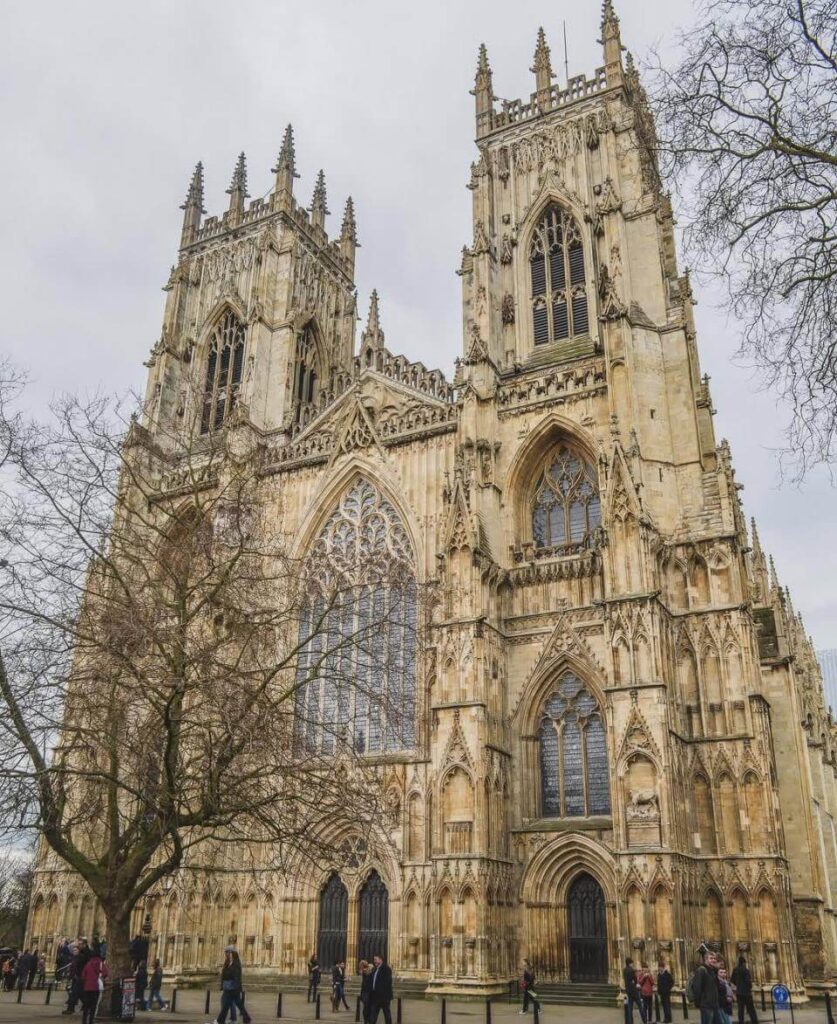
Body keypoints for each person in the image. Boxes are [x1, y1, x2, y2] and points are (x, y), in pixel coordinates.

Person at [216, 947, 252, 1024]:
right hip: (229, 986)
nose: (226, 954)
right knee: (236, 1003)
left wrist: (236, 987)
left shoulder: (236, 963)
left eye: (228, 952)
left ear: (232, 953)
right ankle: (246, 1018)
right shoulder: (228, 962)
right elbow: (225, 974)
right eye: (226, 952)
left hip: (233, 987)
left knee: (226, 1004)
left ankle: (221, 1020)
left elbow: (236, 976)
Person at [691, 950, 723, 1024]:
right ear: (706, 959)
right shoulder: (701, 970)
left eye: (714, 958)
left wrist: (716, 969)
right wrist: (699, 1003)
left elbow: (716, 986)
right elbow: (697, 988)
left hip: (715, 1005)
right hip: (706, 1006)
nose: (713, 960)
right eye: (711, 958)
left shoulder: (712, 971)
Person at [80, 947, 108, 1024]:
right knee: (93, 1005)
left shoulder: (88, 964)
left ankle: (84, 1020)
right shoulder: (101, 964)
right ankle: (91, 1021)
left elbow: (83, 976)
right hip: (96, 987)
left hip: (87, 987)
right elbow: (105, 973)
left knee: (86, 1005)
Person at [731, 956, 758, 1024]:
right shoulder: (746, 970)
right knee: (751, 1009)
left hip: (739, 992)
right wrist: (749, 987)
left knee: (740, 1010)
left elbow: (732, 980)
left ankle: (741, 1022)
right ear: (744, 963)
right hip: (747, 993)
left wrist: (738, 985)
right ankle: (754, 1022)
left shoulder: (735, 970)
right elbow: (748, 981)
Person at [367, 954, 393, 1024]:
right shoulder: (374, 969)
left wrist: (380, 993)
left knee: (387, 1014)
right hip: (375, 997)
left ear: (380, 959)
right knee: (373, 1015)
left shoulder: (386, 969)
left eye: (375, 959)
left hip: (384, 997)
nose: (374, 961)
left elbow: (387, 983)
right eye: (374, 959)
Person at [624, 958, 646, 1023]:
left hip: (628, 990)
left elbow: (626, 981)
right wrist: (634, 982)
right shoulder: (632, 970)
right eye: (632, 963)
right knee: (640, 1006)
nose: (632, 964)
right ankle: (644, 1020)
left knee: (630, 1008)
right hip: (634, 991)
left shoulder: (624, 970)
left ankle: (630, 1022)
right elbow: (635, 980)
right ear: (630, 963)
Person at [657, 960, 674, 1024]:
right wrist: (659, 991)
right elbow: (658, 984)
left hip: (666, 993)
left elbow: (672, 982)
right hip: (662, 993)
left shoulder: (667, 974)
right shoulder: (659, 975)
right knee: (664, 1006)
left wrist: (668, 988)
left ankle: (668, 1019)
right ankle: (667, 1018)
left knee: (667, 1006)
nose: (659, 968)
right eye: (659, 967)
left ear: (663, 967)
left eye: (661, 967)